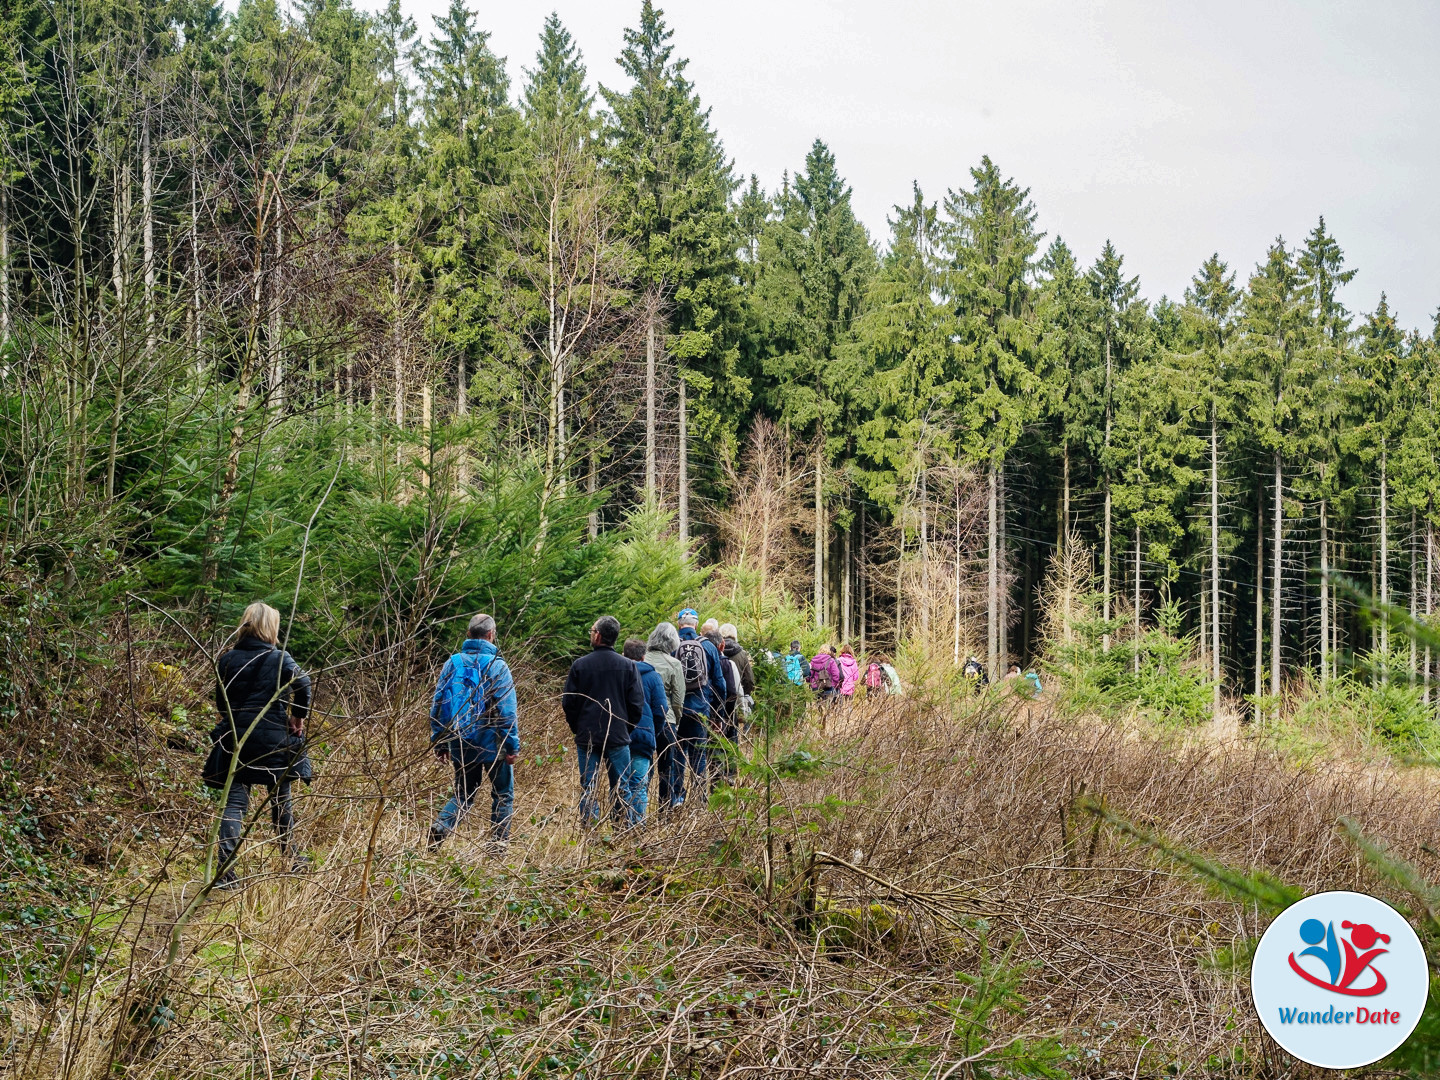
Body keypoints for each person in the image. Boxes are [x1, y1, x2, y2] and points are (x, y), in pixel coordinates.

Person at [203, 601, 312, 887]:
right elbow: (305, 683)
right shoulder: (280, 658)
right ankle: (292, 859)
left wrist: (235, 719)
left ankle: (226, 872)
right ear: (271, 627)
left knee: (234, 805)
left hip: (235, 740)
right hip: (273, 742)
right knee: (280, 800)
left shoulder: (226, 660)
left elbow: (221, 702)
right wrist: (297, 718)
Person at [427, 613, 519, 849]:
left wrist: (440, 742)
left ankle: (440, 827)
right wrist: (512, 746)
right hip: (493, 744)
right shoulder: (498, 666)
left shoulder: (452, 663)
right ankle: (497, 847)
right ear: (491, 635)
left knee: (463, 793)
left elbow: (438, 705)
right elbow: (507, 712)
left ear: (468, 634)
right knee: (502, 794)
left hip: (460, 741)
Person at [562, 616, 645, 826]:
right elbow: (637, 704)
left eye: (592, 631)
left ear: (598, 635)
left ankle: (590, 832)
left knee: (588, 786)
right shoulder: (628, 666)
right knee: (622, 786)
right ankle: (623, 828)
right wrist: (625, 728)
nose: (591, 634)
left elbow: (569, 703)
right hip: (618, 736)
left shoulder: (580, 665)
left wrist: (578, 728)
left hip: (588, 737)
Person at [674, 608, 726, 798]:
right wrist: (717, 714)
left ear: (678, 624)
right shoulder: (708, 646)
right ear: (696, 625)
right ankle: (699, 799)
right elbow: (720, 684)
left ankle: (677, 798)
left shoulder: (671, 644)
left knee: (677, 756)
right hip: (701, 708)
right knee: (699, 756)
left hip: (677, 711)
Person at [622, 638, 667, 820]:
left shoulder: (618, 674)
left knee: (619, 783)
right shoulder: (653, 677)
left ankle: (618, 824)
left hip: (618, 735)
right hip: (642, 737)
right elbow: (661, 710)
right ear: (643, 656)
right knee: (639, 785)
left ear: (624, 654)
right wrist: (653, 732)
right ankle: (636, 829)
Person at [645, 623, 685, 809]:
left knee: (643, 765)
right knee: (666, 767)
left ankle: (639, 807)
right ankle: (665, 808)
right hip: (667, 720)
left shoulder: (641, 660)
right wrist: (677, 720)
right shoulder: (674, 664)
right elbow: (678, 699)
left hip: (643, 720)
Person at [720, 624, 756, 720]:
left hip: (718, 697)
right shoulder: (741, 654)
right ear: (735, 635)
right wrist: (745, 693)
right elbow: (749, 679)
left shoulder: (716, 651)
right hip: (737, 696)